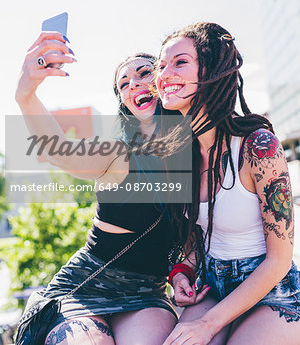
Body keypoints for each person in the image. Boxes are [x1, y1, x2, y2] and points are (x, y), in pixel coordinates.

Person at [15, 32, 207, 345]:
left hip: (147, 292)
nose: (133, 83)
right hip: (86, 286)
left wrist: (182, 270)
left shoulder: (199, 151)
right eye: (123, 83)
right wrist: (26, 94)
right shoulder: (116, 152)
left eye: (145, 73)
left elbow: (192, 228)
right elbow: (58, 150)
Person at [154, 22, 300, 345]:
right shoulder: (180, 155)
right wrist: (183, 272)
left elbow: (279, 261)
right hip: (212, 285)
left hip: (271, 290)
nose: (164, 73)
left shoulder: (259, 148)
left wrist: (207, 325)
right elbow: (200, 233)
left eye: (180, 62)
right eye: (161, 65)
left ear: (211, 67)